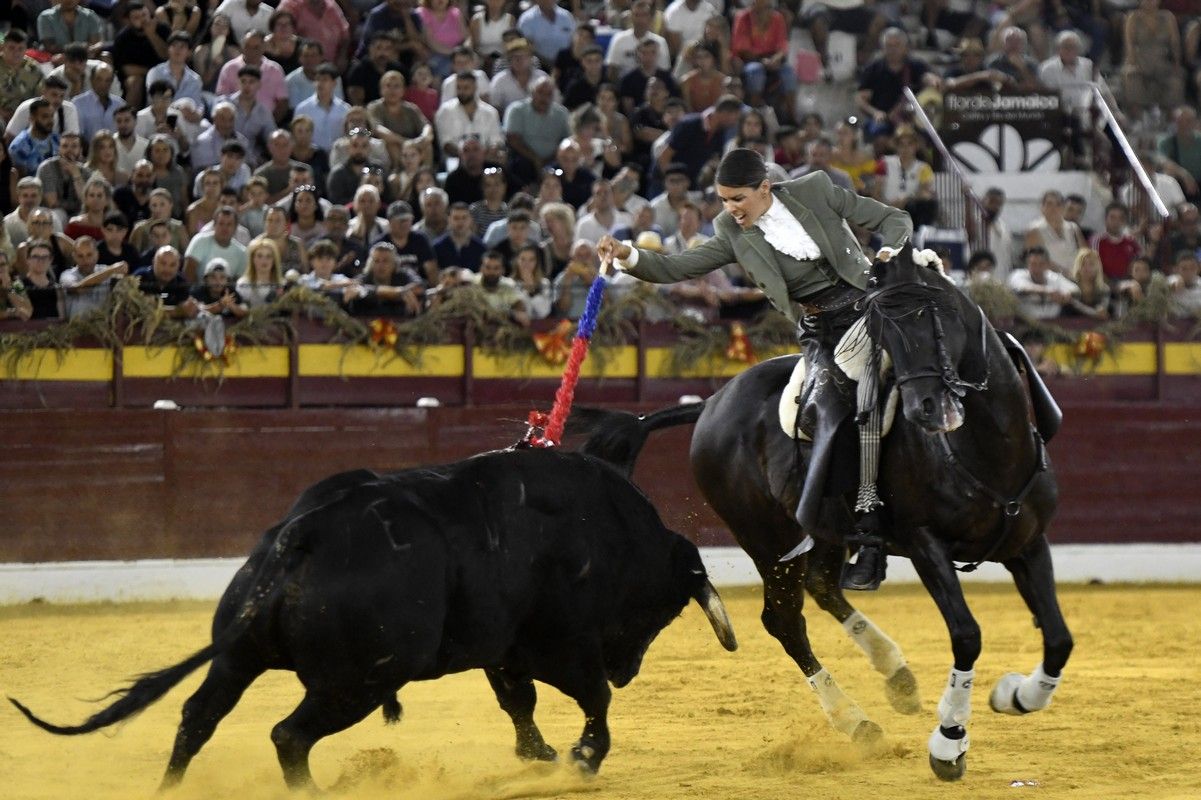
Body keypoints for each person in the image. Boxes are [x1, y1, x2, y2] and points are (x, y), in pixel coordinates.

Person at [598, 148, 914, 591]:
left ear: (765, 187)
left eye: (738, 199)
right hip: (823, 330)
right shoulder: (730, 230)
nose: (730, 210)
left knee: (941, 361)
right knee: (825, 408)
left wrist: (887, 254)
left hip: (874, 305)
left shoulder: (817, 190)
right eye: (724, 200)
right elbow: (674, 266)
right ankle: (862, 529)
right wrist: (627, 254)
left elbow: (894, 220)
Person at [59, 235, 129, 319]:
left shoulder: (107, 270)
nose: (85, 260)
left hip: (104, 326)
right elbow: (78, 288)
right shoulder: (67, 275)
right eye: (80, 256)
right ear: (74, 257)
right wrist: (111, 271)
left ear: (97, 254)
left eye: (89, 255)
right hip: (77, 327)